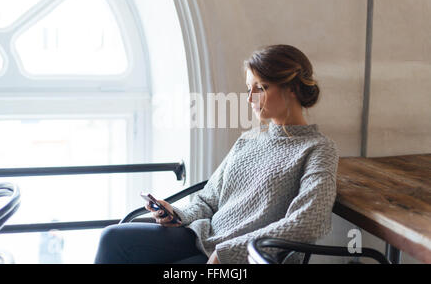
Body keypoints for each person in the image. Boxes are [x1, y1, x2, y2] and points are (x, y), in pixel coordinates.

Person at [94, 44, 339, 264]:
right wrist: (177, 215)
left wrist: (229, 252)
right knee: (113, 238)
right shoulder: (249, 140)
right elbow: (208, 199)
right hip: (203, 237)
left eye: (261, 87)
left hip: (249, 257)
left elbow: (309, 222)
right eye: (248, 88)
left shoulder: (318, 149)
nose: (250, 98)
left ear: (292, 89)